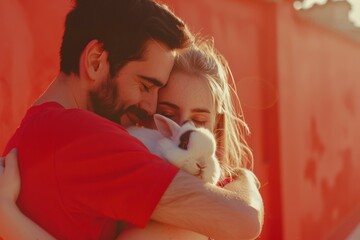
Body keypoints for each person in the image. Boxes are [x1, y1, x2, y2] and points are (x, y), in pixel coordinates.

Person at [0, 0, 263, 239]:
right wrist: (245, 178)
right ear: (95, 61)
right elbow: (243, 221)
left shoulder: (30, 134)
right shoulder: (89, 138)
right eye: (145, 85)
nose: (150, 107)